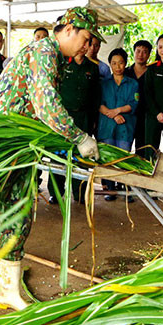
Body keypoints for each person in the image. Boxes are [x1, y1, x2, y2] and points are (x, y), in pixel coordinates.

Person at [0, 7, 103, 325]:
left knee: (18, 220)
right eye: (86, 38)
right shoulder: (43, 51)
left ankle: (8, 292)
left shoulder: (58, 60)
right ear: (70, 29)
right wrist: (78, 138)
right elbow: (46, 105)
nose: (87, 46)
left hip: (20, 151)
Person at [48, 22, 100, 205]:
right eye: (83, 41)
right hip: (63, 117)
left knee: (80, 158)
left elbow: (95, 96)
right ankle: (55, 192)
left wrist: (93, 120)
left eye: (88, 43)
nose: (84, 47)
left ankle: (79, 192)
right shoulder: (60, 63)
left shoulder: (92, 67)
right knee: (58, 156)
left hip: (83, 117)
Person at [98, 48, 139, 201]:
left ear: (125, 63)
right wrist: (114, 115)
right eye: (114, 63)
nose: (117, 66)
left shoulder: (133, 83)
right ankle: (110, 190)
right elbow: (99, 104)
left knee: (123, 158)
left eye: (121, 63)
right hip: (107, 126)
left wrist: (117, 110)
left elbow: (134, 103)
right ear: (110, 64)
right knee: (108, 159)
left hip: (125, 127)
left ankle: (126, 189)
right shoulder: (104, 84)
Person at [125, 40, 152, 155]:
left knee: (142, 151)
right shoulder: (125, 72)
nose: (141, 55)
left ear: (149, 55)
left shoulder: (152, 73)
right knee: (124, 149)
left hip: (145, 117)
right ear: (134, 52)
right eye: (138, 51)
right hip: (127, 116)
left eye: (144, 52)